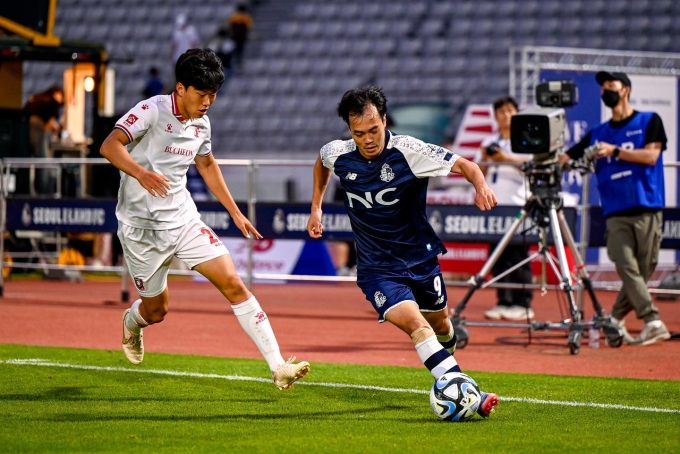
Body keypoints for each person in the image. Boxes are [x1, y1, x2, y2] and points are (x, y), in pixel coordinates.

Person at [100, 48, 310, 389]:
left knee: (233, 282)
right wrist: (141, 174)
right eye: (202, 93)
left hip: (183, 220)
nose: (208, 101)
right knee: (157, 311)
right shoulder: (151, 111)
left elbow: (207, 164)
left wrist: (236, 212)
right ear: (180, 88)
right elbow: (110, 146)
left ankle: (278, 367)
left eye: (213, 94)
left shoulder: (202, 123)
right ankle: (132, 323)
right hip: (141, 230)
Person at [307, 86, 500, 417]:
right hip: (377, 270)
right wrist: (316, 207)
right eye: (359, 134)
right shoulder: (337, 152)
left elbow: (468, 166)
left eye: (373, 130)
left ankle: (449, 363)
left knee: (441, 327)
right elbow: (322, 165)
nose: (367, 139)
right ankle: (471, 396)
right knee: (418, 327)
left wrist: (481, 186)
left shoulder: (409, 150)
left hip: (420, 260)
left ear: (384, 120)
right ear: (349, 131)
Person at [560, 71, 670, 346]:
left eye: (611, 86)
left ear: (626, 90)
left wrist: (615, 151)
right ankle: (653, 320)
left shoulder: (649, 120)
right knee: (627, 267)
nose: (605, 91)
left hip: (647, 205)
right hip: (614, 211)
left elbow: (652, 155)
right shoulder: (597, 133)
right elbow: (566, 157)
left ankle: (615, 320)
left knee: (642, 271)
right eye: (603, 87)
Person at [480, 96, 534, 321]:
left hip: (518, 204)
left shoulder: (526, 140)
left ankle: (523, 303)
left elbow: (531, 168)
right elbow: (478, 172)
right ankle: (503, 300)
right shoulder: (489, 141)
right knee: (497, 254)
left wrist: (505, 158)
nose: (506, 115)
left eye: (510, 111)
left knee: (517, 253)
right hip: (494, 204)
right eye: (501, 112)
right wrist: (485, 158)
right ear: (495, 117)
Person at [24, 85, 64, 194]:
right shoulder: (52, 101)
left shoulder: (37, 98)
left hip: (23, 128)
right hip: (36, 127)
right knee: (43, 160)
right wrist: (59, 129)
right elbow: (50, 123)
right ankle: (44, 191)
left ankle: (33, 189)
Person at [227, 3, 253, 72]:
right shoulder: (246, 17)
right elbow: (248, 27)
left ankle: (235, 60)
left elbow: (230, 26)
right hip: (241, 36)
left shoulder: (234, 16)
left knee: (234, 48)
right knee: (240, 50)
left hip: (235, 36)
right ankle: (238, 61)